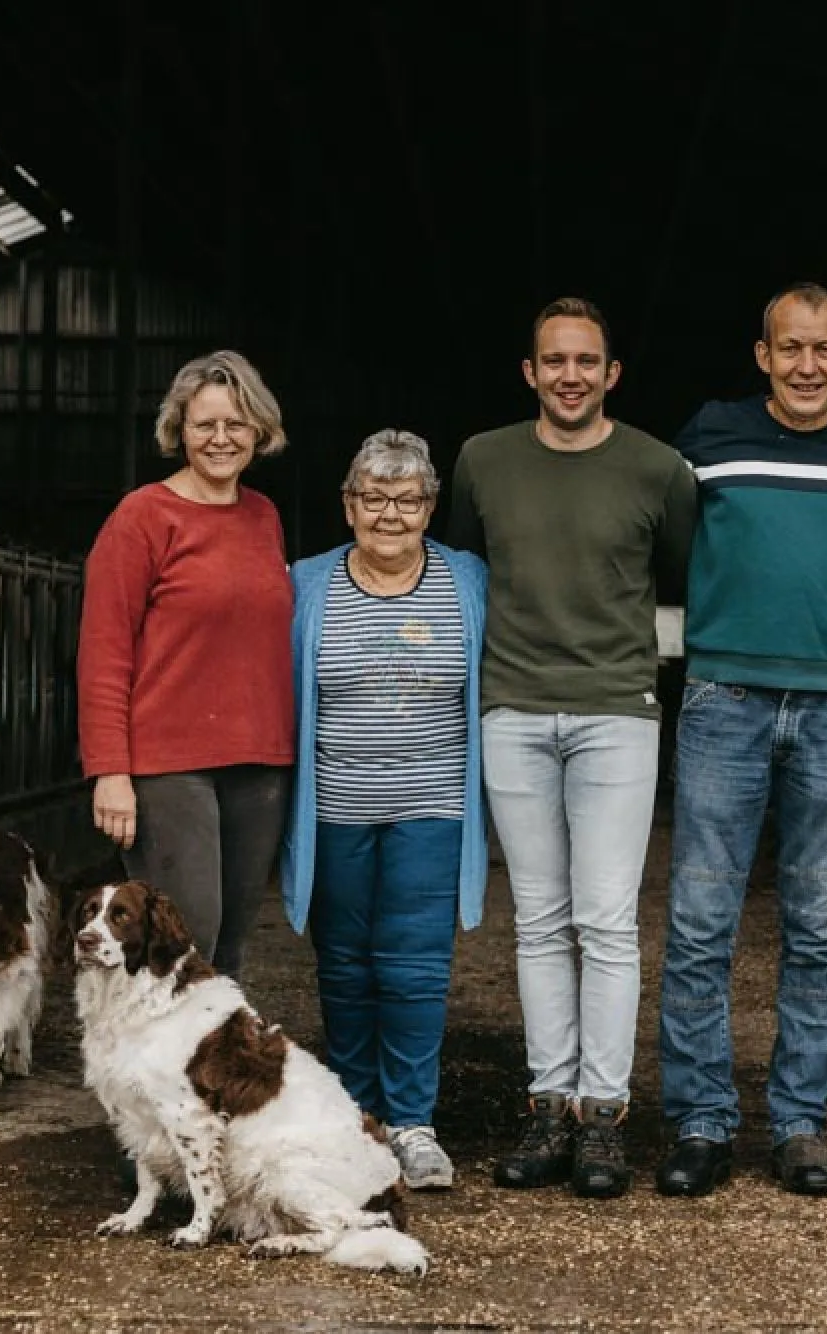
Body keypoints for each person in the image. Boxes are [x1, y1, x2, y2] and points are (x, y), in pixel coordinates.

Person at [655, 282, 827, 1200]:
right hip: (723, 697)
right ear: (762, 355)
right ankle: (699, 1119)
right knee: (700, 921)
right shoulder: (709, 438)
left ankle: (801, 1123)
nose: (807, 365)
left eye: (825, 349)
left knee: (818, 925)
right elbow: (670, 546)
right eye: (789, 349)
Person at [445, 297, 695, 1199]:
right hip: (512, 709)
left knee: (608, 918)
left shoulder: (659, 469)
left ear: (611, 373)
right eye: (554, 361)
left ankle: (604, 1117)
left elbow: (679, 570)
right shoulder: (482, 460)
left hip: (615, 711)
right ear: (530, 372)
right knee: (541, 921)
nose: (570, 375)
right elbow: (468, 568)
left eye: (587, 361)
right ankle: (547, 1104)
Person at [279, 429, 488, 1191]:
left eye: (407, 499)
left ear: (431, 506)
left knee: (413, 968)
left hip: (433, 808)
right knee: (343, 966)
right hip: (334, 808)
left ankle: (412, 1122)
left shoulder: (469, 582)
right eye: (375, 497)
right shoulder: (306, 583)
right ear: (348, 504)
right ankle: (355, 1119)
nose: (390, 514)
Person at [77, 350, 294, 978]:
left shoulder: (264, 517)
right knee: (181, 940)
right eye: (205, 424)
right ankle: (154, 1071)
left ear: (258, 429)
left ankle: (206, 1071)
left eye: (236, 423)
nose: (221, 438)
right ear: (180, 429)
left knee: (228, 946)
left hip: (259, 765)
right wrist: (110, 770)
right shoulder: (141, 518)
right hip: (171, 764)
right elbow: (103, 653)